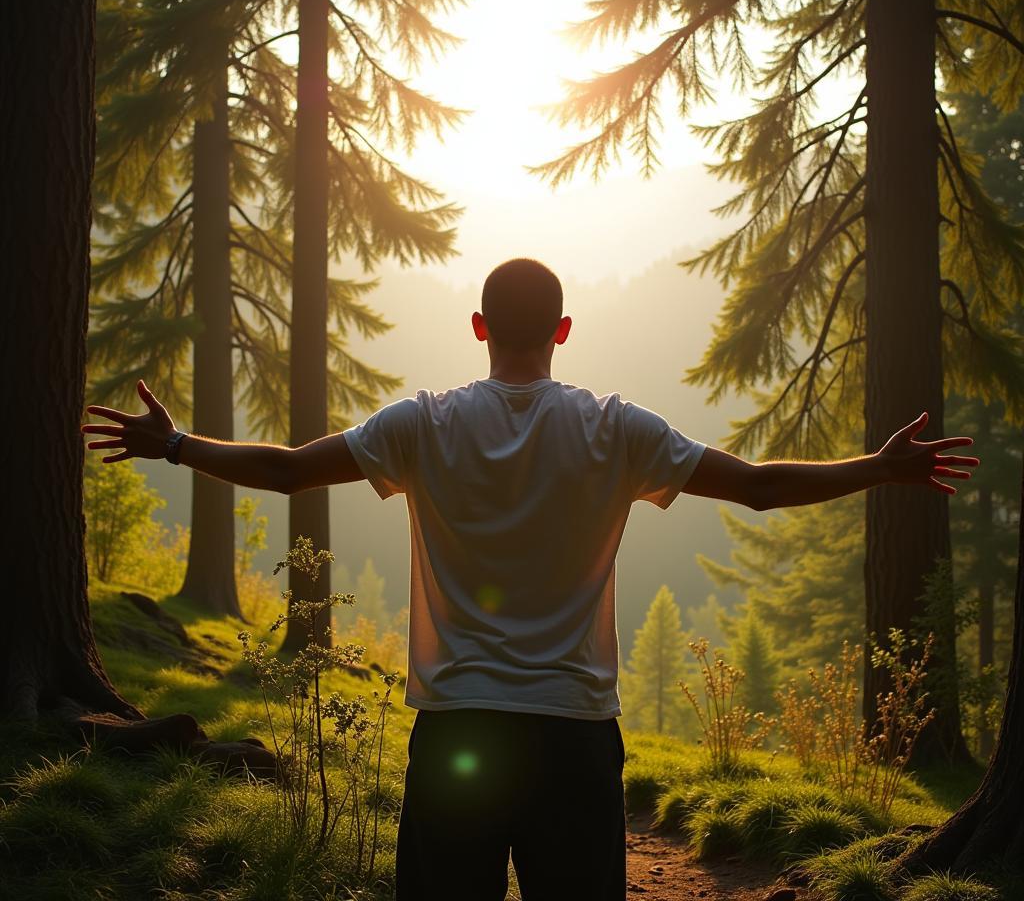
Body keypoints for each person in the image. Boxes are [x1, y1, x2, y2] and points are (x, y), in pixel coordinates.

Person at [82, 257, 979, 900]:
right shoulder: (617, 430)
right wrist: (879, 467)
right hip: (576, 743)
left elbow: (286, 469)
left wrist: (173, 445)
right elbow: (755, 490)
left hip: (458, 733)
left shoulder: (422, 425)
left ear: (478, 328)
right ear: (562, 331)